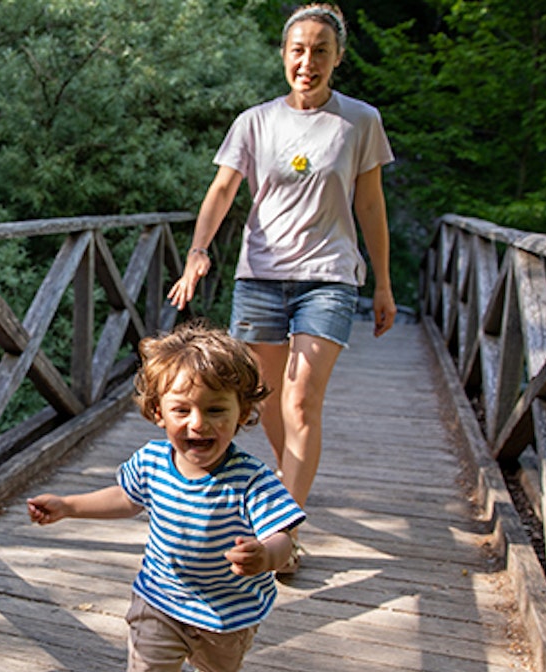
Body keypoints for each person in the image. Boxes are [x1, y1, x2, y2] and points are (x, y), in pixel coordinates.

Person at [27, 321, 305, 672]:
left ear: (244, 413)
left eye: (217, 410)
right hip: (159, 600)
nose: (198, 424)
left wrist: (267, 556)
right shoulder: (153, 461)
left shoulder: (251, 479)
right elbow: (125, 499)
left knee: (220, 669)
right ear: (158, 413)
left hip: (229, 613)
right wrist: (69, 505)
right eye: (182, 410)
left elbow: (285, 536)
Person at [168, 2, 395, 574]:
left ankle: (283, 537)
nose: (308, 61)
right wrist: (198, 252)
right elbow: (223, 190)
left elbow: (370, 204)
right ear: (284, 54)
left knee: (300, 400)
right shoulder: (255, 121)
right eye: (299, 49)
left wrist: (384, 283)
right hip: (261, 276)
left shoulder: (360, 121)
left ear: (338, 57)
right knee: (262, 400)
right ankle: (289, 471)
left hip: (329, 277)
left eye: (321, 50)